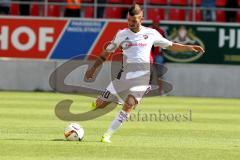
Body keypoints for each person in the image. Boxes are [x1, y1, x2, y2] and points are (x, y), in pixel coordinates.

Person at [84, 4, 204, 143]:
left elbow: (171, 45)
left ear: (141, 18)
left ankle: (107, 135)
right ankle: (99, 103)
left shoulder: (151, 33)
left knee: (129, 105)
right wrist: (93, 69)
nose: (130, 23)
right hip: (123, 77)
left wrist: (189, 47)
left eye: (134, 21)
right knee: (101, 104)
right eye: (129, 20)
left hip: (142, 79)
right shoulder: (121, 34)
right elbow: (106, 53)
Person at [149, 17, 166, 94]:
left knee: (159, 74)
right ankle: (147, 90)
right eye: (154, 22)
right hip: (149, 55)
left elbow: (166, 42)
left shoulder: (161, 31)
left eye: (157, 22)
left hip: (158, 55)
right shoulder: (148, 30)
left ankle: (161, 91)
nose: (156, 24)